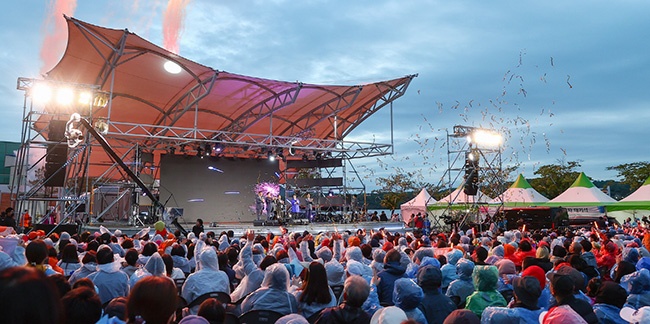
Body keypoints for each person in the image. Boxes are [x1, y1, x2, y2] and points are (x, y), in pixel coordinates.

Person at [182, 247, 230, 314]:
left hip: (197, 317)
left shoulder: (193, 278)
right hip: (219, 315)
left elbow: (185, 298)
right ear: (215, 260)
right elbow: (227, 296)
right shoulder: (223, 276)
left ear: (201, 261)